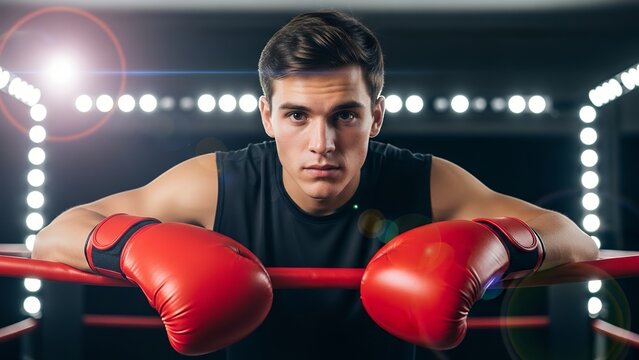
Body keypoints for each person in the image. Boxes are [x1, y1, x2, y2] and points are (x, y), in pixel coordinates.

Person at [33, 10, 599, 360]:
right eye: (298, 116)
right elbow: (57, 233)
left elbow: (572, 237)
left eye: (345, 116)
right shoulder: (219, 183)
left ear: (376, 118)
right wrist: (140, 246)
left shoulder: (420, 178)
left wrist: (492, 246)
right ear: (266, 117)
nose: (322, 142)